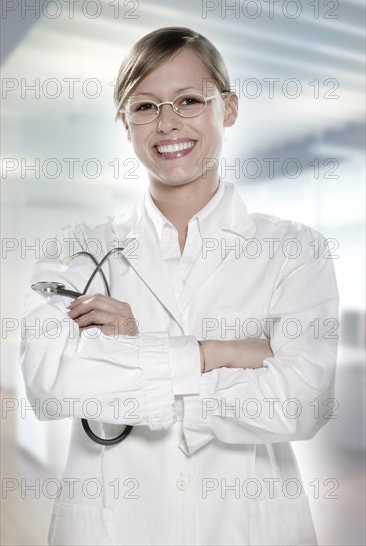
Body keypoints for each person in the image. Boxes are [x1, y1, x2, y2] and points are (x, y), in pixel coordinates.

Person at [20, 27, 339, 546]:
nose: (167, 123)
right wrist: (221, 353)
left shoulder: (294, 249)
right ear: (124, 122)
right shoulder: (78, 248)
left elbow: (302, 402)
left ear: (229, 108)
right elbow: (50, 383)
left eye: (189, 100)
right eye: (144, 106)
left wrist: (129, 352)